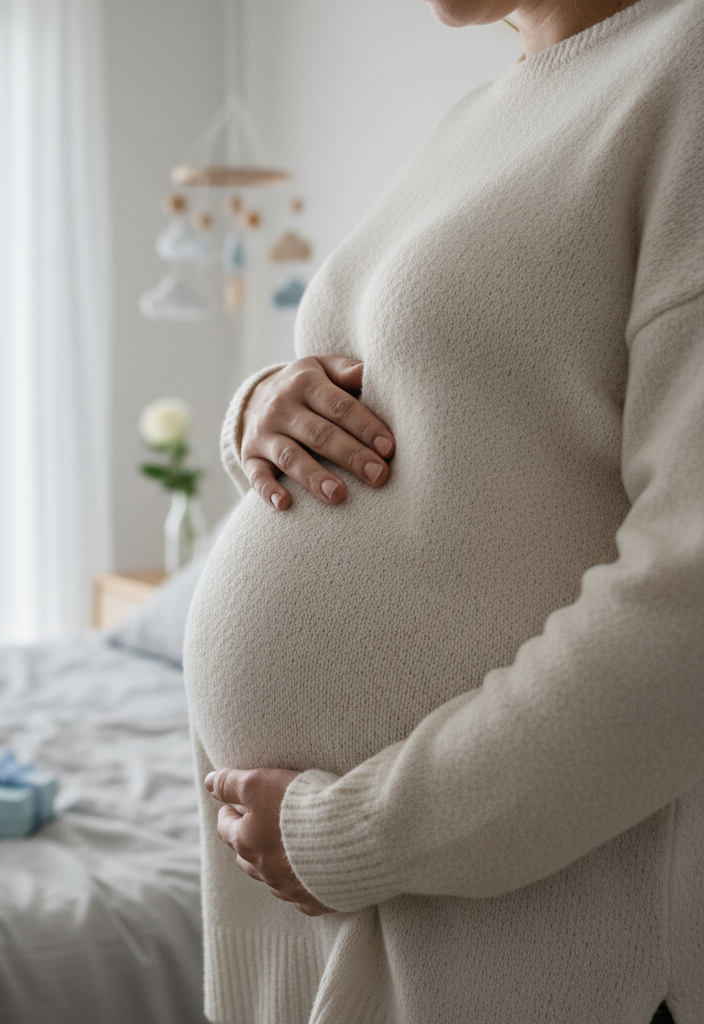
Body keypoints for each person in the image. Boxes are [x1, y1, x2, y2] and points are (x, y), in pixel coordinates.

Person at [181, 0, 703, 1021]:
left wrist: (365, 830)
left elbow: (689, 595)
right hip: (350, 936)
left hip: (539, 947)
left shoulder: (683, 66)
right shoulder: (481, 110)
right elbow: (407, 386)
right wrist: (255, 411)